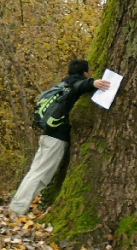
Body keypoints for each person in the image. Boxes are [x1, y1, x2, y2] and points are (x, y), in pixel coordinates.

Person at [8, 59, 111, 217]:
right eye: (89, 72)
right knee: (40, 175)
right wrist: (93, 83)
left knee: (35, 172)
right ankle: (16, 210)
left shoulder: (62, 85)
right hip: (56, 137)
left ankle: (16, 207)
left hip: (48, 134)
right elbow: (79, 86)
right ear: (85, 73)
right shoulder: (74, 85)